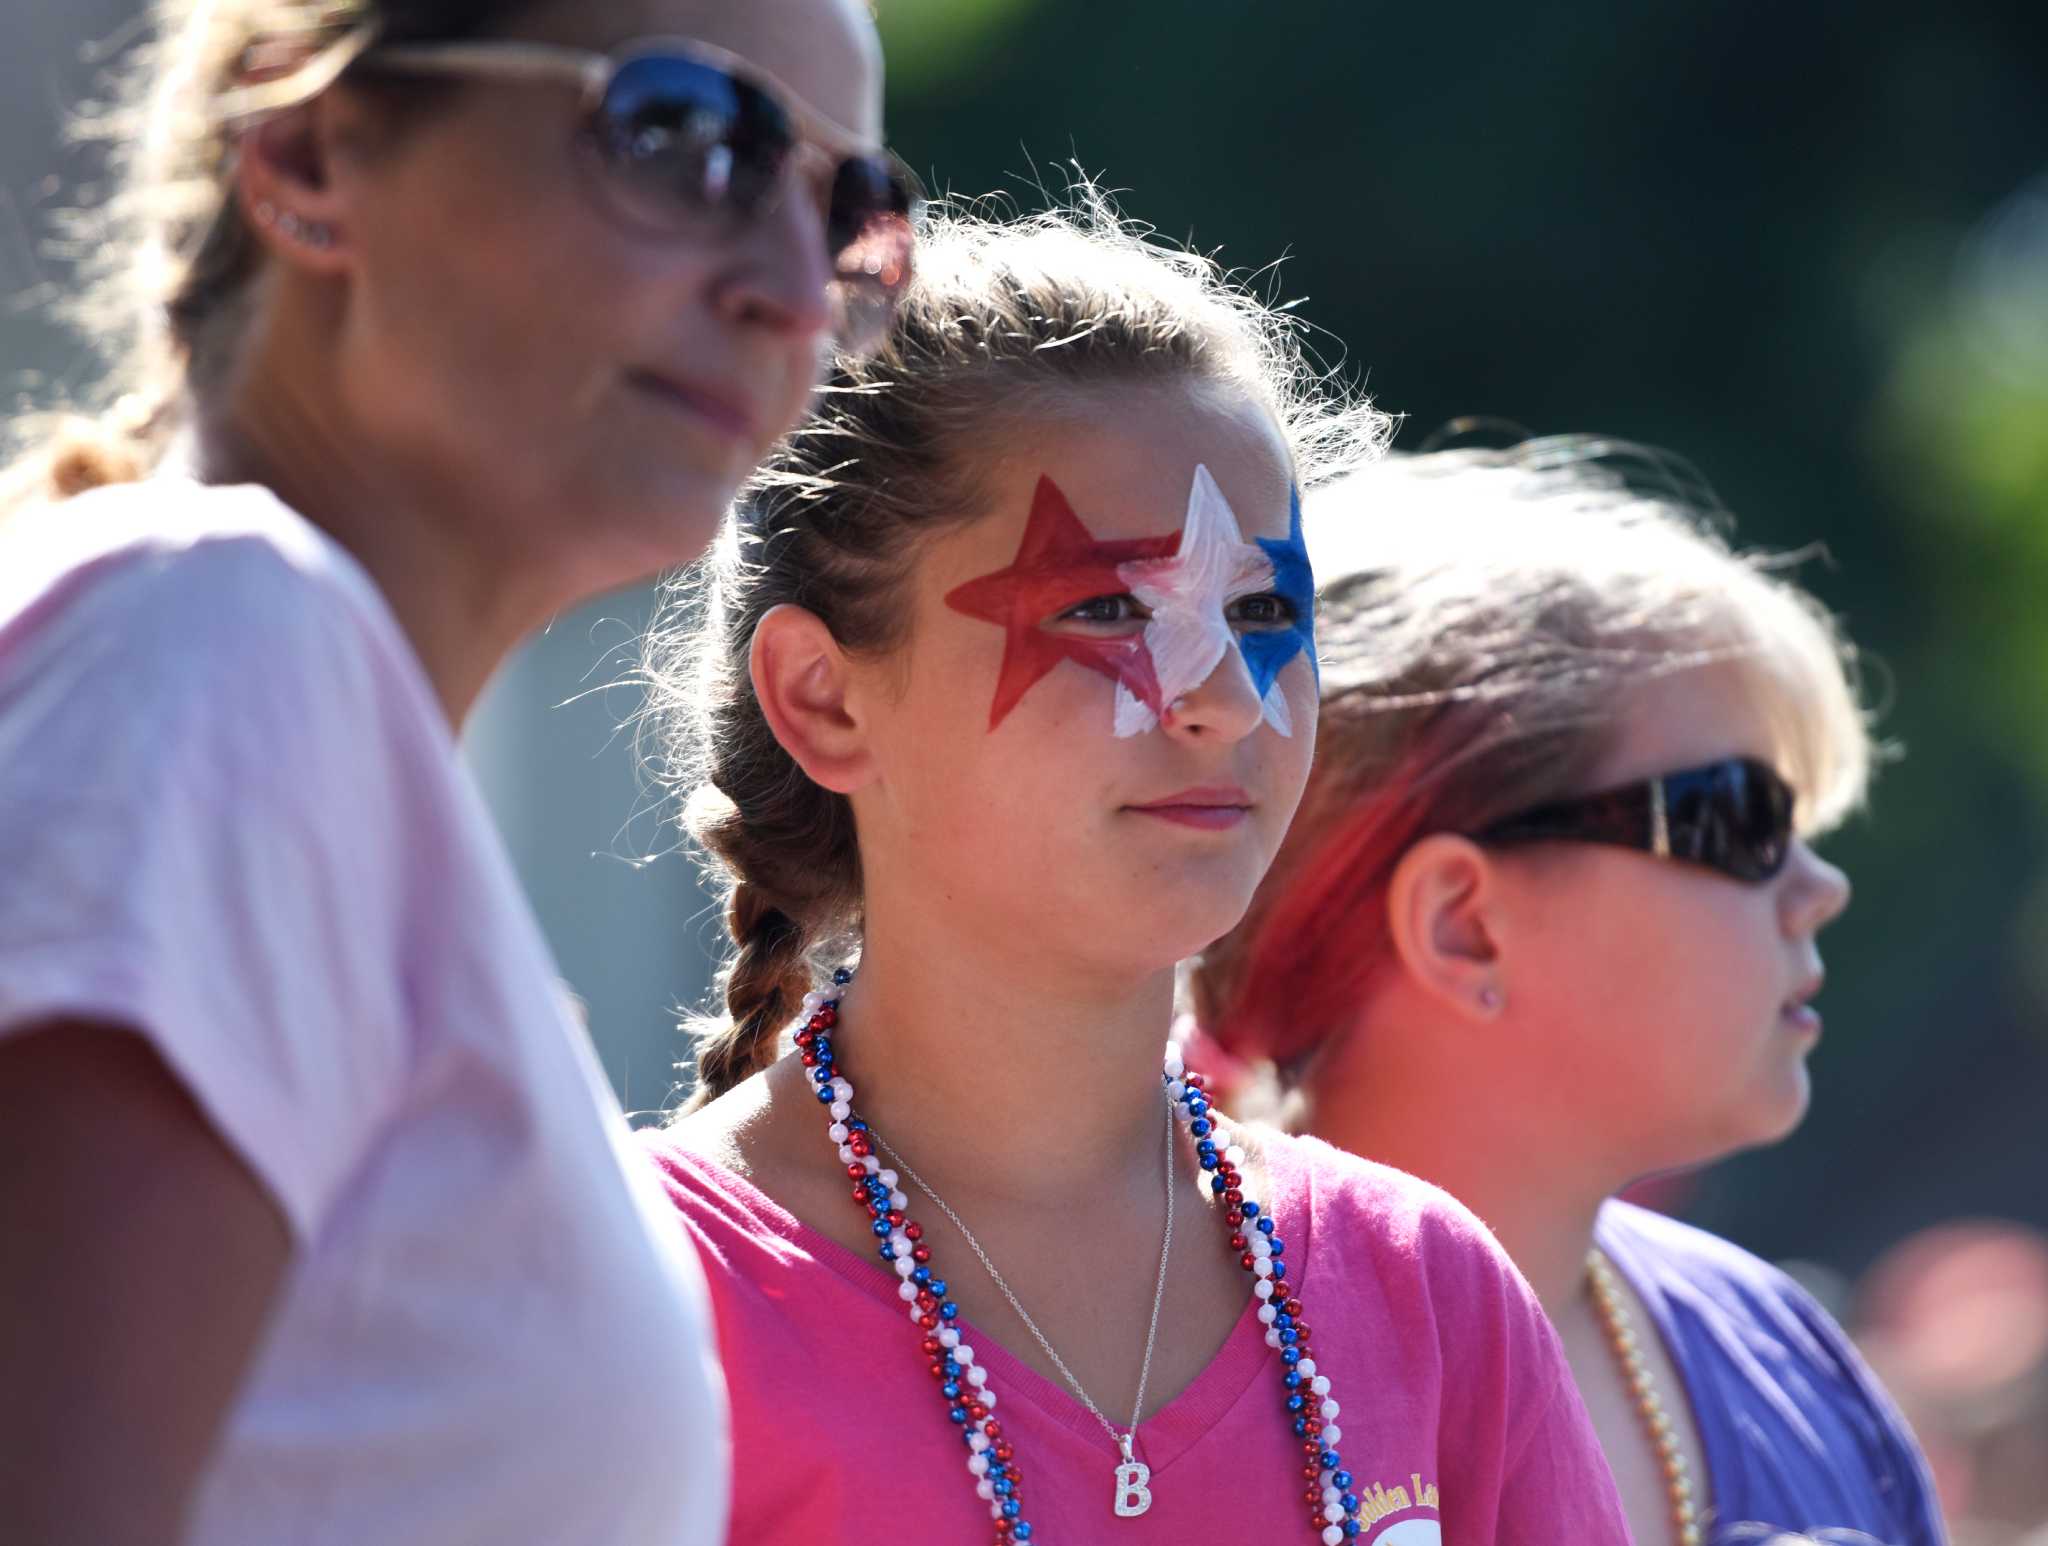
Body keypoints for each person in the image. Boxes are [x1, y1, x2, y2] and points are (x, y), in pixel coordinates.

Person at [0, 0, 914, 1541]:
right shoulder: (224, 633)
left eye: (847, 215)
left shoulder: (272, 699)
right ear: (307, 155)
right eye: (687, 136)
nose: (788, 294)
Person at [637, 202, 1632, 1544]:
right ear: (825, 699)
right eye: (1109, 605)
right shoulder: (634, 1302)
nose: (1221, 695)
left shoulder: (1425, 1294)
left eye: (1265, 611)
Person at [1191, 440, 1948, 1545]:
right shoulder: (1153, 1377)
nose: (1817, 887)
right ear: (1464, 925)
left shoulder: (1783, 1359)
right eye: (1737, 819)